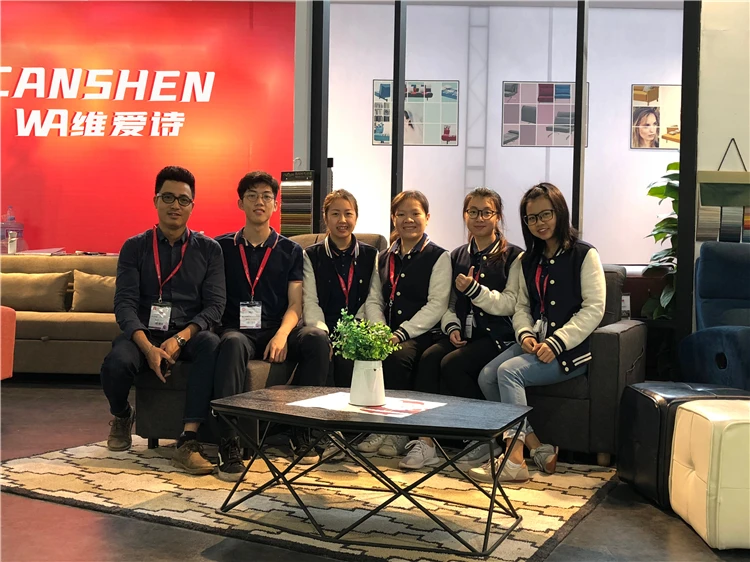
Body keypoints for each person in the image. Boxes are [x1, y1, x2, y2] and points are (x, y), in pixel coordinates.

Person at [470, 182, 605, 483]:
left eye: (546, 215)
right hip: (535, 342)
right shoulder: (526, 260)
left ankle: (514, 459)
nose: (539, 223)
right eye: (531, 218)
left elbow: (594, 309)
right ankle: (536, 447)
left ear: (559, 213)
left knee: (508, 372)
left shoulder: (584, 254)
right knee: (487, 375)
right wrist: (525, 334)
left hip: (570, 351)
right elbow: (521, 306)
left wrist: (557, 342)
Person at [100, 166, 226, 476]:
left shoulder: (209, 250)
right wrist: (147, 348)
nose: (175, 205)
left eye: (183, 200)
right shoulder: (135, 247)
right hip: (144, 333)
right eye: (168, 197)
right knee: (116, 362)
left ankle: (188, 439)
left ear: (192, 206)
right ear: (155, 201)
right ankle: (121, 414)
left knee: (211, 344)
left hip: (188, 333)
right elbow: (124, 304)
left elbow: (215, 306)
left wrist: (180, 338)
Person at [213, 171, 330, 481]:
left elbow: (295, 304)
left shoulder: (290, 250)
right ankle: (228, 441)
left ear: (275, 205)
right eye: (252, 195)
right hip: (237, 329)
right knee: (232, 343)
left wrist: (281, 334)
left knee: (316, 339)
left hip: (276, 328)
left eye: (266, 196)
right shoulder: (221, 248)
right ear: (240, 203)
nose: (259, 202)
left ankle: (301, 428)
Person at [410, 187, 523, 469]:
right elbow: (449, 303)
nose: (479, 218)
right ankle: (426, 441)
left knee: (453, 364)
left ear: (497, 216)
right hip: (463, 334)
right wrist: (451, 326)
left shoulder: (513, 256)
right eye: (473, 212)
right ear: (465, 215)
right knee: (429, 358)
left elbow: (511, 304)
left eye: (486, 212)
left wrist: (475, 291)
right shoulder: (457, 255)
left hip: (497, 336)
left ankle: (483, 437)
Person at [356, 190, 451, 469]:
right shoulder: (383, 256)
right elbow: (374, 299)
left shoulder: (439, 257)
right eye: (401, 214)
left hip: (422, 333)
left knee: (398, 356)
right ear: (393, 218)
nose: (408, 219)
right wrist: (381, 331)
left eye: (415, 214)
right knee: (369, 354)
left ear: (427, 217)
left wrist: (401, 333)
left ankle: (397, 431)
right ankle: (380, 426)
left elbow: (436, 304)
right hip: (388, 333)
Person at [302, 189, 385, 388]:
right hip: (324, 328)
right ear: (325, 217)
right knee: (320, 349)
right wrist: (325, 335)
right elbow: (310, 301)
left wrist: (353, 331)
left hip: (356, 329)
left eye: (348, 213)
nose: (342, 220)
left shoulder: (371, 254)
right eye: (335, 214)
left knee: (350, 359)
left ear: (356, 217)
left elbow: (372, 298)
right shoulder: (311, 255)